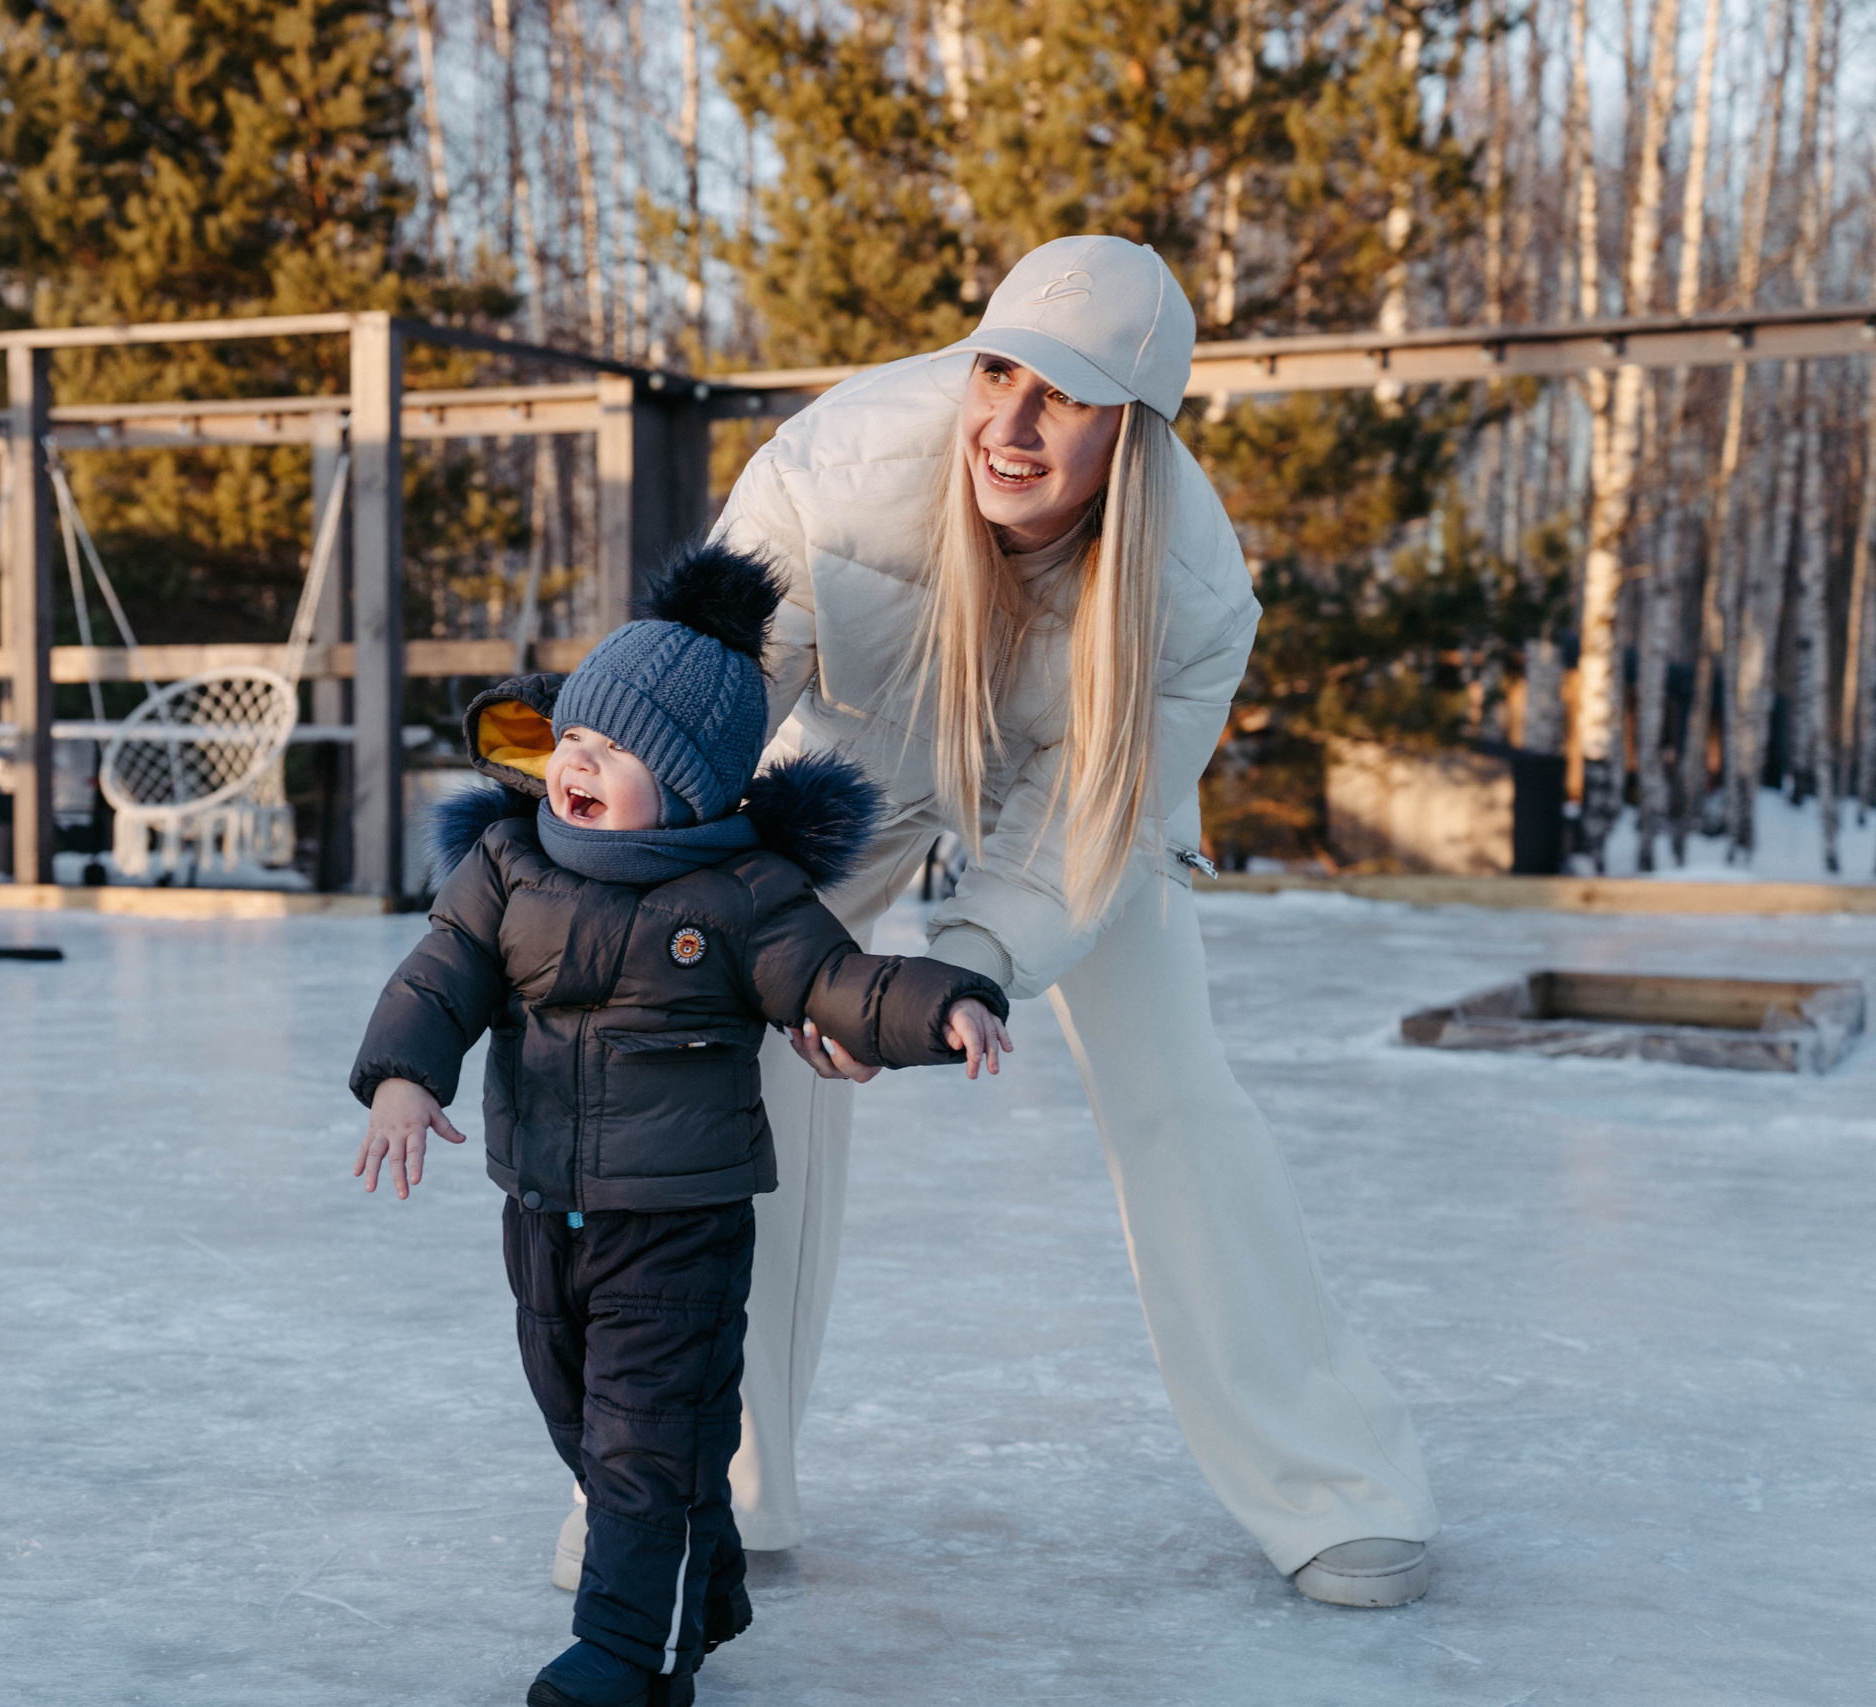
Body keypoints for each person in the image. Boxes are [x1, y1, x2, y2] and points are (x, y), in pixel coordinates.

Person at [577, 234, 1443, 1610]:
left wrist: (956, 968)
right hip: (852, 767)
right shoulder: (836, 471)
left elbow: (1083, 827)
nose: (1015, 422)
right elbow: (706, 699)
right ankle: (703, 1480)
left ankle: (1338, 1485)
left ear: (1137, 427)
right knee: (724, 1038)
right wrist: (642, 873)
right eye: (998, 371)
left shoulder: (1196, 593)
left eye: (1070, 396)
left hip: (1075, 791)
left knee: (1174, 1088)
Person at [349, 544, 1013, 1707]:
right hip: (542, 1209)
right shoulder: (506, 867)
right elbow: (440, 974)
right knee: (573, 1412)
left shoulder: (744, 896)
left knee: (641, 1440)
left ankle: (633, 1658)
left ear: (694, 783)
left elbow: (839, 981)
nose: (577, 764)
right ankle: (695, 1579)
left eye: (616, 751)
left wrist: (943, 1000)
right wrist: (405, 1074)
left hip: (679, 1225)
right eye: (573, 740)